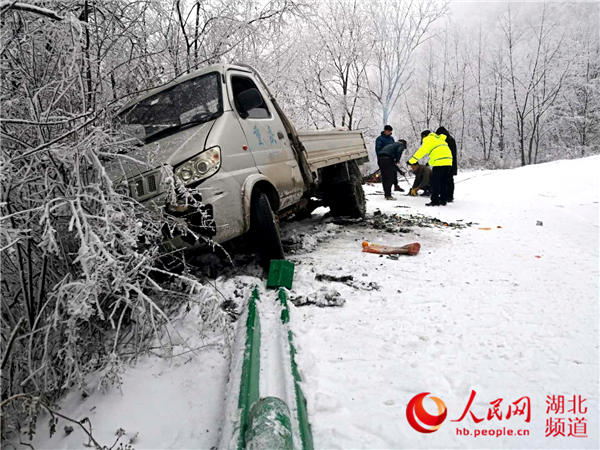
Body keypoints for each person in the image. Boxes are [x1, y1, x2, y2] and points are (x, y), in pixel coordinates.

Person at [407, 130, 453, 206]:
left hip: (439, 162)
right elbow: (438, 152)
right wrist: (430, 163)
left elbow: (421, 152)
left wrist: (411, 161)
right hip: (448, 161)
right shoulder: (439, 139)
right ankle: (443, 200)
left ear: (424, 136)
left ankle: (435, 201)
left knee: (436, 182)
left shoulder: (428, 140)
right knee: (443, 182)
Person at [436, 126, 457, 202]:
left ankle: (446, 196)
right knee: (449, 180)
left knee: (445, 180)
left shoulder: (445, 140)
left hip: (446, 163)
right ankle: (449, 196)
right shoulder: (451, 139)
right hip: (452, 163)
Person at [375, 125, 397, 199]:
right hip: (383, 159)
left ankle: (387, 193)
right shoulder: (380, 139)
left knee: (390, 176)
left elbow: (394, 148)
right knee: (386, 177)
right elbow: (378, 149)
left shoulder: (391, 139)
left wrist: (395, 158)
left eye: (390, 131)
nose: (389, 132)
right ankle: (387, 194)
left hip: (391, 160)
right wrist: (381, 158)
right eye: (387, 131)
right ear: (384, 130)